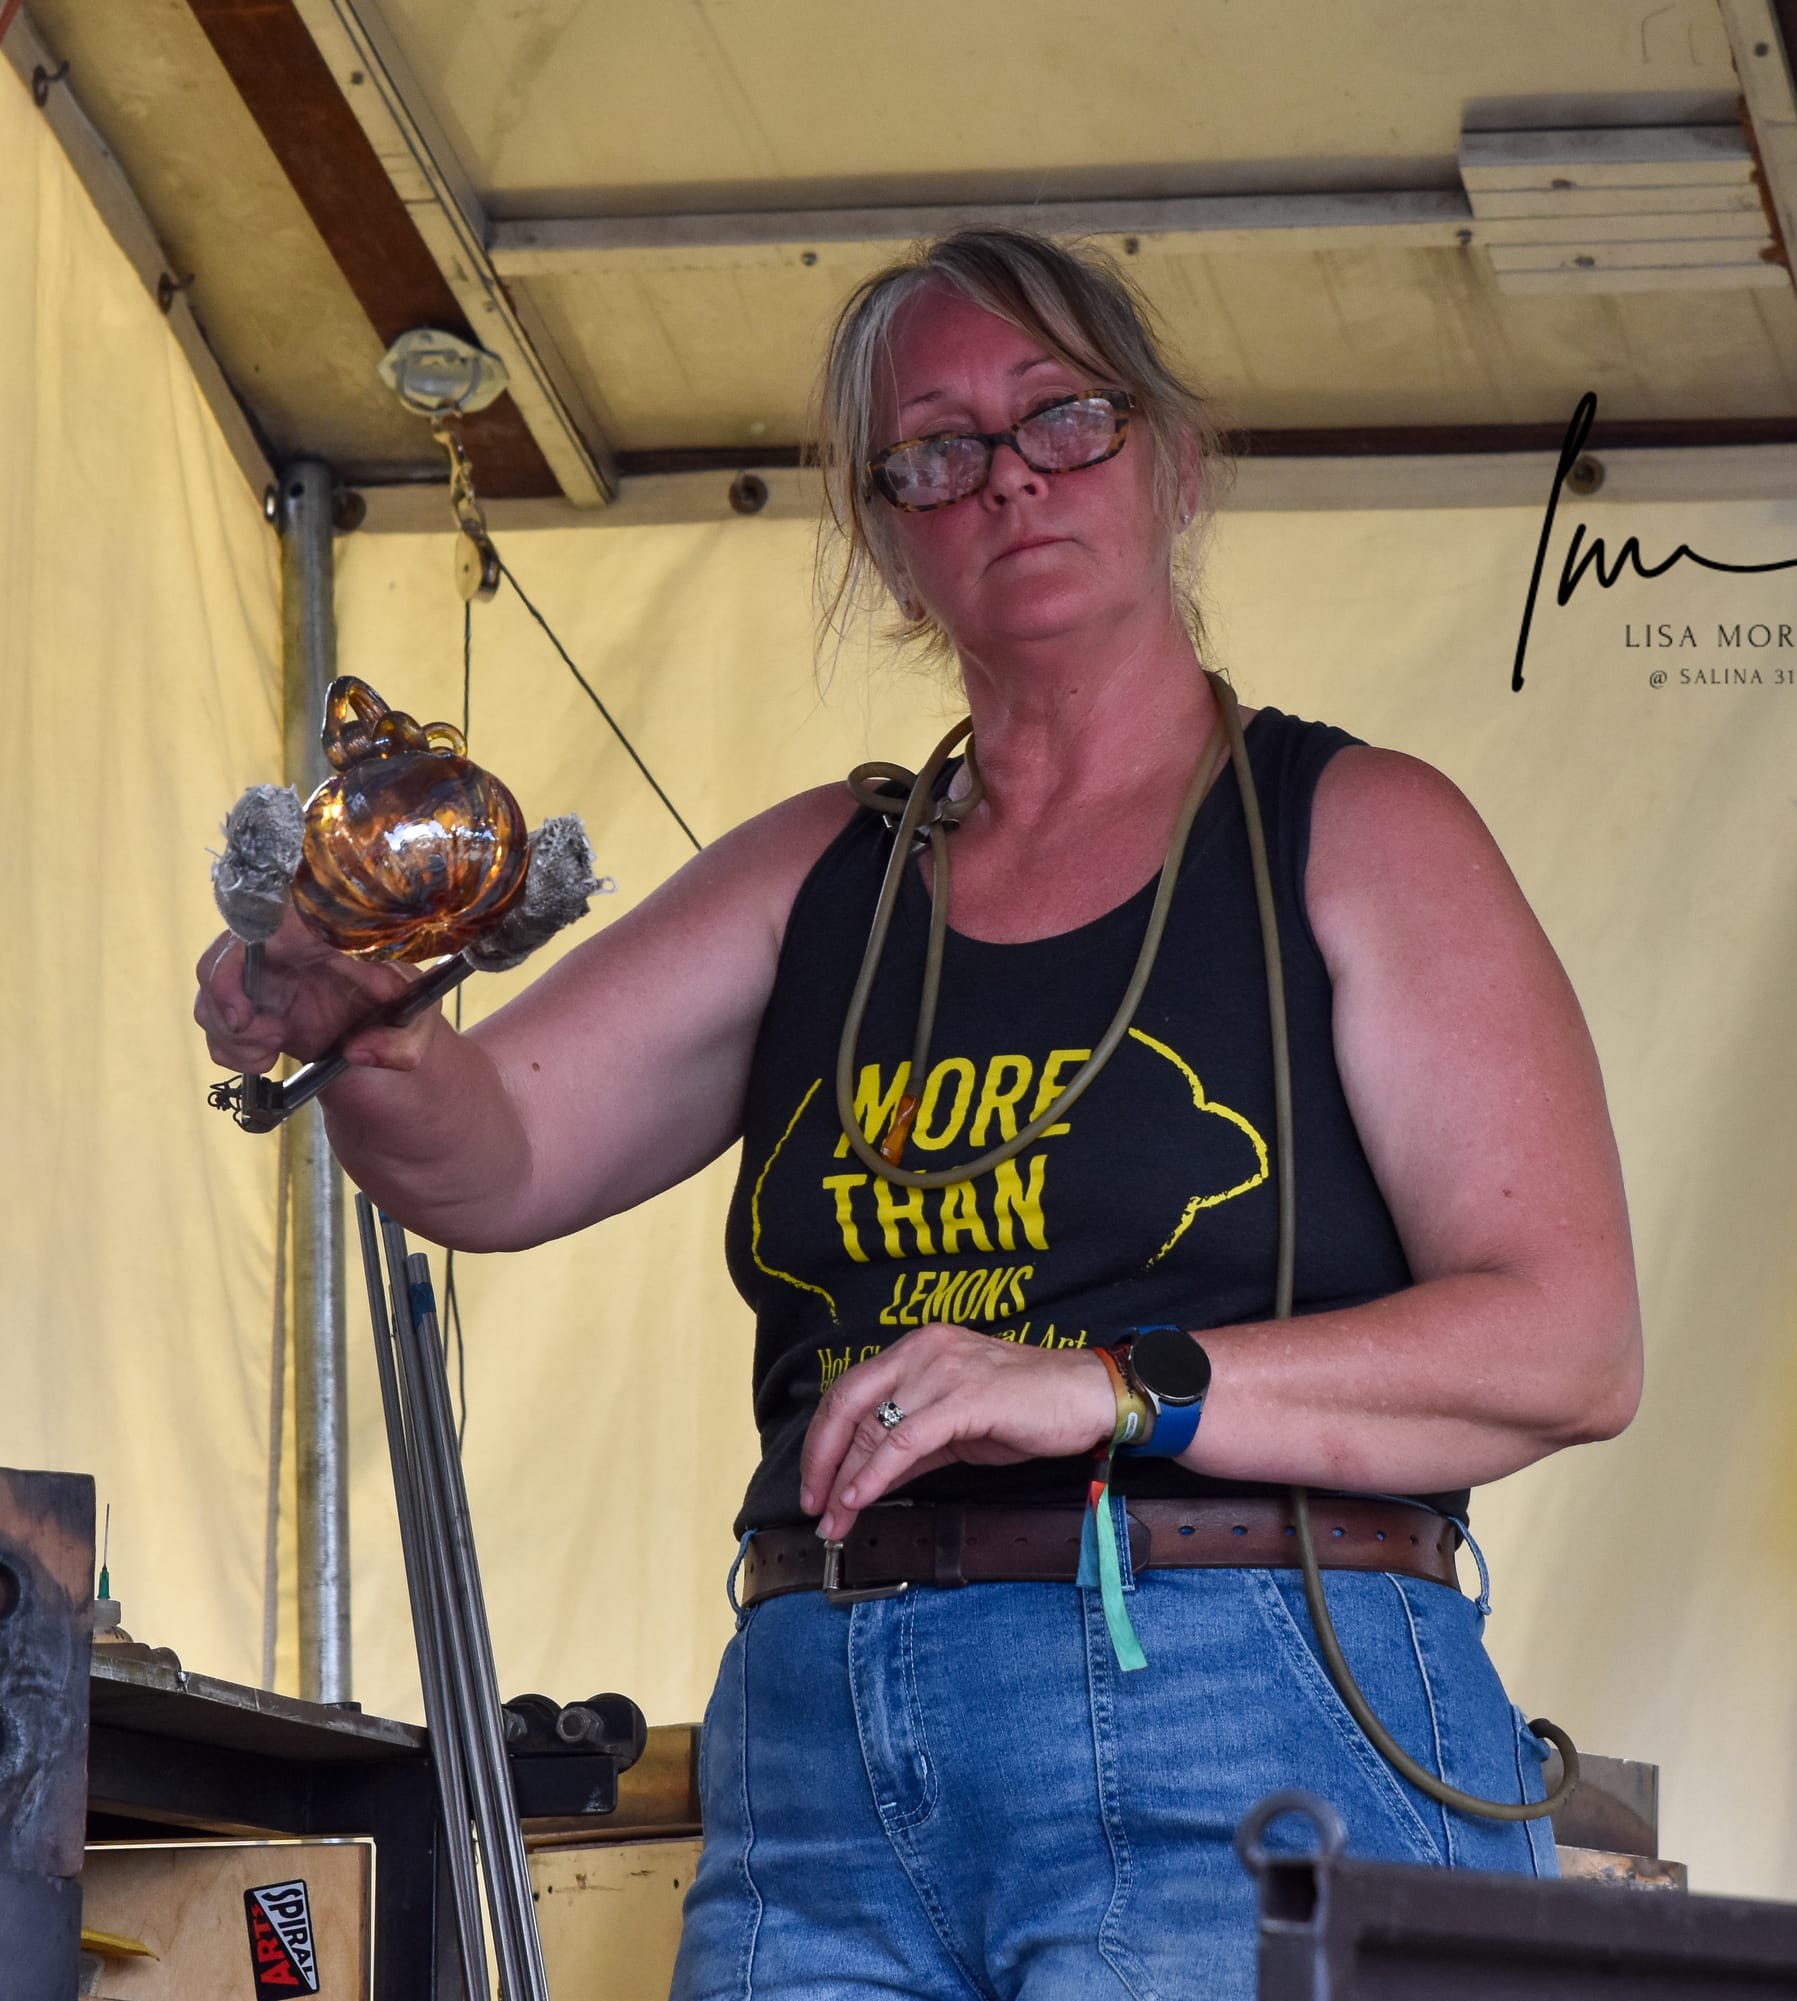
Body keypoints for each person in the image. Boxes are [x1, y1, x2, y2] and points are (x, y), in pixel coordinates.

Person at [195, 228, 1642, 1998]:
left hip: (1237, 1693)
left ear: (1178, 461)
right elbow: (493, 1157)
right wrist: (369, 1028)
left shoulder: (1354, 827)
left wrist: (1104, 1384)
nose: (1010, 475)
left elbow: (1569, 1344)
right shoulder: (829, 871)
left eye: (1066, 417)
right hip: (827, 1733)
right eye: (937, 452)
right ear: (888, 535)